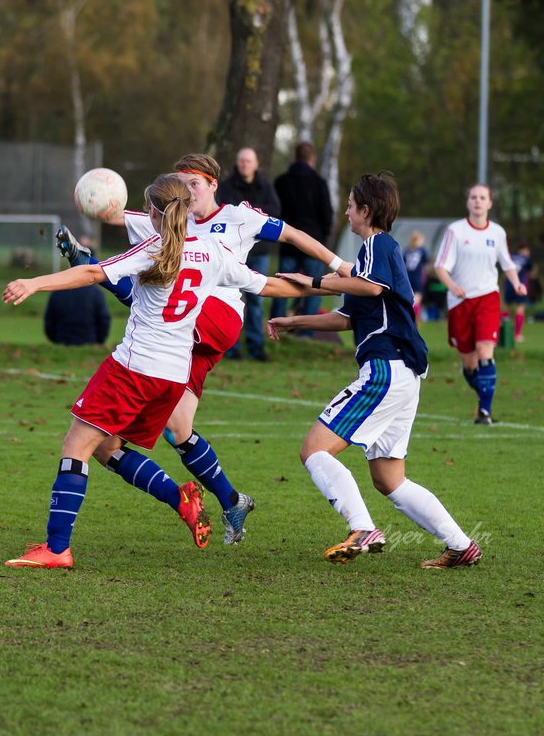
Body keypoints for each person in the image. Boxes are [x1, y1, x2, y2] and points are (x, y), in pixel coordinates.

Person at [2, 175, 311, 569]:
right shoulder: (213, 250)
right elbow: (268, 286)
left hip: (134, 368)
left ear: (153, 212)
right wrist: (331, 286)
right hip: (172, 376)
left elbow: (94, 274)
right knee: (105, 447)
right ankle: (179, 498)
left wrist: (35, 282)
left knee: (75, 446)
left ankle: (56, 548)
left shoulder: (156, 248)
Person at [57, 153, 349, 545]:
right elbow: (114, 214)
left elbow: (293, 235)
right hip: (182, 345)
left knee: (160, 302)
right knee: (176, 432)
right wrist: (93, 196)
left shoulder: (239, 217)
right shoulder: (172, 219)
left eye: (194, 183)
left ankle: (90, 264)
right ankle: (230, 500)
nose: (188, 191)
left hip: (219, 316)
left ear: (214, 184)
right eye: (181, 184)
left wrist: (337, 264)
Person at [267, 171, 482, 569]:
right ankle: (460, 544)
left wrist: (316, 279)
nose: (347, 212)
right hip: (403, 375)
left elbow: (371, 287)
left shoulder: (377, 245)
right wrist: (294, 322)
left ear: (366, 211)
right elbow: (347, 317)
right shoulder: (369, 259)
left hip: (385, 369)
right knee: (389, 479)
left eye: (350, 205)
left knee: (314, 450)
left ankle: (362, 527)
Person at [432, 184, 527, 425]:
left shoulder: (497, 233)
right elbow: (440, 266)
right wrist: (452, 286)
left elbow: (507, 263)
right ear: (468, 203)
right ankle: (484, 394)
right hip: (460, 302)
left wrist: (516, 283)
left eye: (482, 197)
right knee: (469, 362)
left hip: (488, 298)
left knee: (486, 351)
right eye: (473, 197)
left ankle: (485, 411)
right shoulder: (455, 231)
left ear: (490, 203)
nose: (477, 201)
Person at [217, 147, 281, 361]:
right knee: (230, 298)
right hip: (232, 252)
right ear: (238, 163)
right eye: (242, 160)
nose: (245, 164)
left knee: (256, 301)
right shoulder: (226, 187)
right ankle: (230, 347)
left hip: (258, 251)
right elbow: (223, 211)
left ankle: (256, 346)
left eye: (249, 161)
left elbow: (274, 211)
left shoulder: (265, 187)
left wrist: (249, 217)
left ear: (255, 164)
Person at [271, 141, 334, 322]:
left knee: (282, 286)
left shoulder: (281, 182)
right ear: (312, 159)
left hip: (287, 242)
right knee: (315, 287)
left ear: (295, 158)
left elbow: (275, 212)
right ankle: (307, 328)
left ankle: (276, 324)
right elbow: (327, 214)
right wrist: (324, 235)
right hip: (313, 243)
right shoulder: (319, 183)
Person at [44, 280, 110, 345]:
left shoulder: (57, 292)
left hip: (62, 340)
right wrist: (100, 340)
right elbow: (103, 319)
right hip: (89, 340)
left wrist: (54, 339)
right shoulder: (96, 292)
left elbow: (49, 319)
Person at [504, 245, 534, 343]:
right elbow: (531, 271)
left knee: (507, 308)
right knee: (520, 308)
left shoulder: (511, 256)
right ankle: (517, 335)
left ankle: (502, 333)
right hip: (520, 285)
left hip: (508, 284)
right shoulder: (526, 258)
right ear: (525, 250)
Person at [403, 231, 428, 320]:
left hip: (407, 278)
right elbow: (425, 266)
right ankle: (414, 319)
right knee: (417, 300)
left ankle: (409, 317)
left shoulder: (406, 250)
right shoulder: (422, 251)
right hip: (417, 278)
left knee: (409, 299)